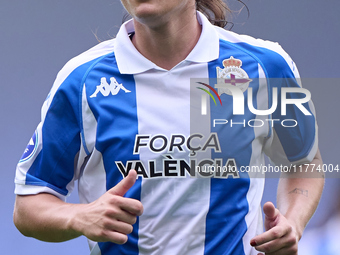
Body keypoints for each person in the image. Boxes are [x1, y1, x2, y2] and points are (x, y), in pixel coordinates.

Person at [13, 0, 324, 254]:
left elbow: (305, 161)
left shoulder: (265, 65)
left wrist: (292, 223)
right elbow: (29, 205)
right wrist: (78, 216)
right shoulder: (81, 80)